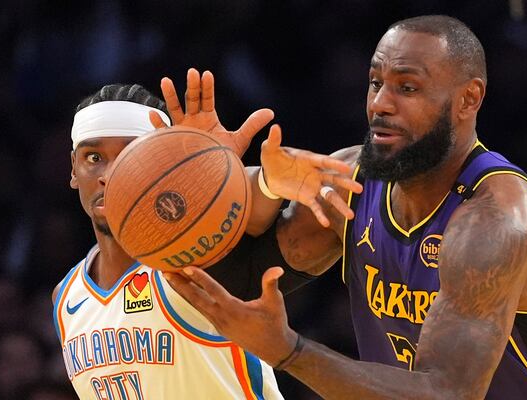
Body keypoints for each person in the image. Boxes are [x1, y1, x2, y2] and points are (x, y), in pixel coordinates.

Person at [164, 15, 527, 399]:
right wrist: (206, 188)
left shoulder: (496, 219)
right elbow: (235, 283)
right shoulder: (351, 183)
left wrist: (291, 352)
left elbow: (448, 392)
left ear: (468, 99)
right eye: (375, 82)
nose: (380, 103)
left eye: (407, 87)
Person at [51, 71, 350, 399]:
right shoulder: (66, 297)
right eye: (94, 158)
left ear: (159, 166)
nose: (108, 175)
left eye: (128, 157)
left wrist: (225, 174)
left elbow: (248, 221)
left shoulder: (193, 261)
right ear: (73, 169)